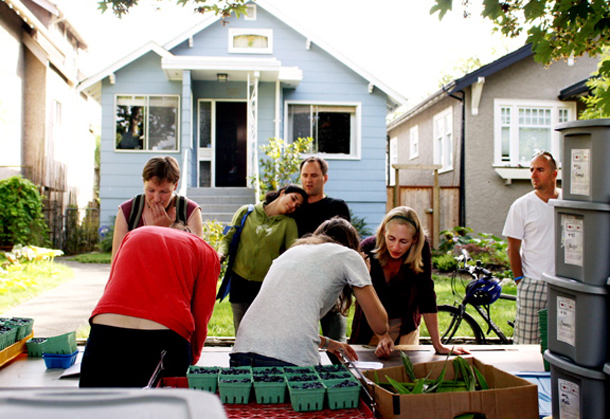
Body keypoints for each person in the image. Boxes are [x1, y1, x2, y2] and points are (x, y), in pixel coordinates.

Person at [230, 217, 394, 367]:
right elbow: (380, 325)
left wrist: (330, 344)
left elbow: (285, 324)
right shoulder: (349, 255)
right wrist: (365, 274)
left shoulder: (292, 252)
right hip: (289, 360)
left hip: (241, 352)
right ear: (351, 244)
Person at [79, 225, 219, 387]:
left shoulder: (135, 234)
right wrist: (190, 359)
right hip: (166, 332)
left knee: (92, 405)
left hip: (106, 324)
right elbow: (202, 314)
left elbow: (113, 283)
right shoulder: (204, 250)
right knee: (162, 409)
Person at [350, 206, 469, 356]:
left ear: (414, 239)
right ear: (383, 233)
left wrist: (438, 344)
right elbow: (360, 296)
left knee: (406, 370)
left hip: (405, 324)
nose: (396, 247)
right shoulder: (366, 249)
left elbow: (426, 295)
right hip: (369, 325)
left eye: (403, 241)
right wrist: (382, 336)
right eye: (391, 239)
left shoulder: (421, 248)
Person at [218, 184, 307, 332]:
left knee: (261, 331)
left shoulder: (288, 224)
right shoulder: (247, 212)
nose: (293, 206)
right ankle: (239, 355)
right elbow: (228, 239)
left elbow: (292, 254)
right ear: (282, 193)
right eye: (293, 199)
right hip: (239, 280)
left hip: (265, 285)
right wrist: (221, 254)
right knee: (240, 330)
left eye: (297, 206)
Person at [291, 156, 351, 350]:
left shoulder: (336, 207)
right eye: (305, 175)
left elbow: (345, 245)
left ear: (325, 178)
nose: (309, 180)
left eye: (314, 175)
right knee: (300, 344)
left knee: (337, 344)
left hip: (332, 285)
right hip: (300, 284)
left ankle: (342, 378)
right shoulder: (294, 208)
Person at [503, 151, 561, 344]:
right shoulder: (522, 206)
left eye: (540, 169)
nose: (534, 175)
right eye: (532, 170)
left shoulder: (570, 201)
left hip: (565, 284)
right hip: (533, 282)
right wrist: (521, 281)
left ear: (554, 173)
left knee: (562, 341)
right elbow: (512, 248)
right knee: (526, 344)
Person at [110, 156, 203, 263]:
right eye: (151, 190)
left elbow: (196, 260)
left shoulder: (190, 211)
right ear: (143, 183)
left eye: (164, 192)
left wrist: (169, 229)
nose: (157, 198)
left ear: (175, 186)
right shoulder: (128, 211)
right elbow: (117, 261)